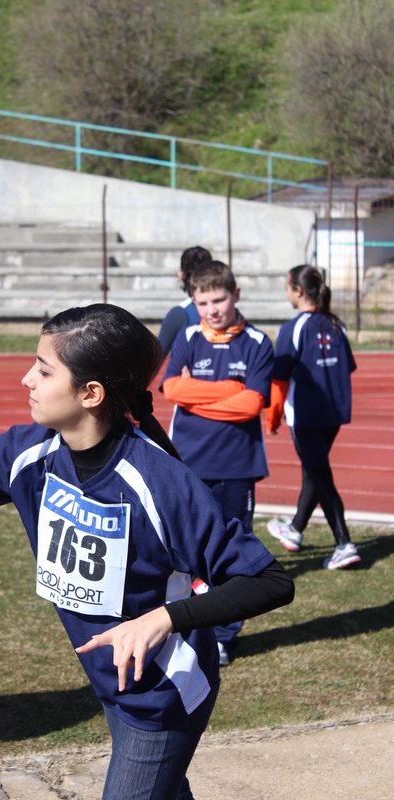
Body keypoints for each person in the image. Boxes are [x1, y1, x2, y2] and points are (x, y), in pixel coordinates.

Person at [0, 304, 294, 800]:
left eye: (44, 371)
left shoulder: (160, 482)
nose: (27, 379)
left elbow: (270, 580)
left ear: (91, 393)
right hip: (114, 680)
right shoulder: (28, 453)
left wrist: (161, 620)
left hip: (161, 695)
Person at [160, 262, 274, 666]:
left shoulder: (259, 342)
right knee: (182, 549)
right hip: (188, 462)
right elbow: (172, 387)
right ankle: (185, 621)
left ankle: (224, 636)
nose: (212, 309)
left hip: (237, 465)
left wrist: (199, 397)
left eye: (219, 299)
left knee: (233, 550)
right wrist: (229, 389)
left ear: (236, 294)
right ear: (194, 302)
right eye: (203, 301)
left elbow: (251, 406)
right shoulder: (189, 337)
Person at [265, 264, 361, 570]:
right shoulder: (337, 325)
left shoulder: (292, 329)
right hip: (333, 415)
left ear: (297, 291)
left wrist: (273, 417)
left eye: (286, 286)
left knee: (321, 477)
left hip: (305, 416)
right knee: (313, 472)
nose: (286, 292)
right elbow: (345, 368)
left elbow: (279, 381)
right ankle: (294, 531)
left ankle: (344, 543)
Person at [158, 246, 212, 362]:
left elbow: (154, 364)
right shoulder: (229, 310)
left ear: (181, 275)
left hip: (188, 379)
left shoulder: (178, 315)